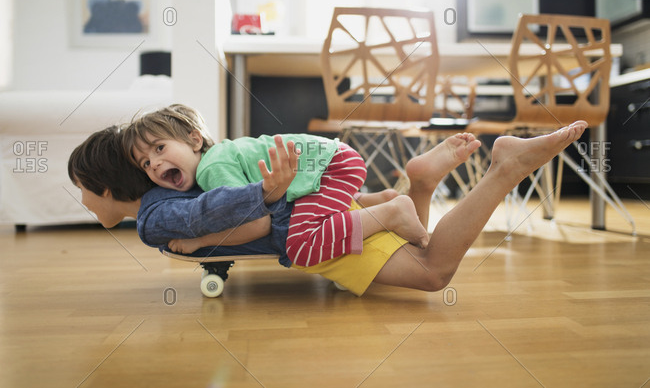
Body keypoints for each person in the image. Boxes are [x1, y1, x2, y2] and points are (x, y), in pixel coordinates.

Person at [70, 120, 587, 295]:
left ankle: (505, 169)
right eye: (147, 159)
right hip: (319, 198)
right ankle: (420, 185)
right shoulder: (172, 192)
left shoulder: (157, 217)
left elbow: (244, 216)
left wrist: (204, 241)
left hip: (312, 230)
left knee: (432, 273)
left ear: (108, 189)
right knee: (413, 245)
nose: (83, 202)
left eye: (83, 190)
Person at [122, 104, 433, 267]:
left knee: (301, 245)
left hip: (328, 168)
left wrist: (201, 242)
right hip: (333, 160)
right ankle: (377, 201)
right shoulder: (219, 157)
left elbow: (258, 224)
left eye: (159, 149)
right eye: (145, 163)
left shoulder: (211, 168)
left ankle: (391, 213)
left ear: (194, 139)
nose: (155, 164)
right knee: (312, 214)